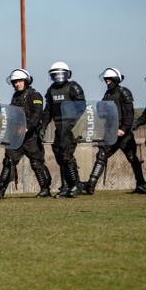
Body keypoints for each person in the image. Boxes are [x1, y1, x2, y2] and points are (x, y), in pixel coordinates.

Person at [0, 69, 52, 201]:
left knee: (36, 163)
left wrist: (27, 127)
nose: (17, 84)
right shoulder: (15, 97)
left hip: (31, 137)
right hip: (15, 136)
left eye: (19, 81)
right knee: (9, 162)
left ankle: (45, 189)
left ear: (26, 81)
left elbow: (37, 114)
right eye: (15, 82)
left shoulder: (35, 96)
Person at [84, 68, 145, 194]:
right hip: (111, 133)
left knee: (132, 157)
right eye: (106, 79)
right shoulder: (107, 94)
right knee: (101, 156)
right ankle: (90, 185)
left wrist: (123, 129)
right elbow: (104, 114)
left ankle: (141, 184)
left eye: (110, 79)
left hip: (124, 134)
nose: (107, 81)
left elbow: (129, 114)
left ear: (116, 79)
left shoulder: (124, 92)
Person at [40, 62, 85, 198]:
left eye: (60, 74)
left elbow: (81, 107)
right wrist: (43, 127)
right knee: (60, 157)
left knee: (67, 155)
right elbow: (48, 111)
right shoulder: (51, 90)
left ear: (67, 74)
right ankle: (65, 186)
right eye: (55, 75)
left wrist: (75, 125)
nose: (58, 77)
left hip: (72, 127)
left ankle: (76, 185)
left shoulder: (73, 87)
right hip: (59, 128)